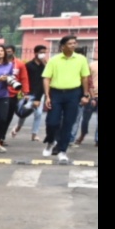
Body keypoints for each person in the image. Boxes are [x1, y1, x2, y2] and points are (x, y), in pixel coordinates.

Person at [41, 34, 92, 163]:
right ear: (62, 46)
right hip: (56, 93)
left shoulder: (81, 59)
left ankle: (62, 150)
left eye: (75, 43)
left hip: (73, 94)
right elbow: (46, 78)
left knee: (69, 123)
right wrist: (47, 96)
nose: (73, 45)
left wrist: (85, 94)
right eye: (70, 43)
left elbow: (84, 78)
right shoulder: (54, 60)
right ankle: (50, 141)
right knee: (52, 122)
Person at [14, 43, 49, 140]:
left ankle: (34, 134)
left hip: (40, 92)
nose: (43, 54)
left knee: (38, 113)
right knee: (24, 112)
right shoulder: (28, 65)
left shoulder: (46, 65)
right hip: (29, 92)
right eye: (41, 52)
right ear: (36, 53)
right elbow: (24, 79)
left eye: (44, 52)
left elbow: (48, 77)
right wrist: (25, 91)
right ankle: (18, 127)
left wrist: (45, 63)